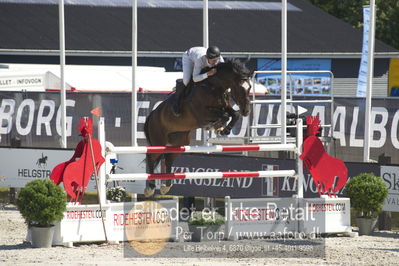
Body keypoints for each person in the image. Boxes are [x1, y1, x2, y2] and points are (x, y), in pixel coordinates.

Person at [172, 46, 224, 116]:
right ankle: (176, 101)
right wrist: (208, 74)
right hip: (189, 57)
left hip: (199, 52)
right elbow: (195, 78)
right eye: (213, 60)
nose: (215, 62)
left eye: (216, 60)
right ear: (207, 57)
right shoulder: (200, 60)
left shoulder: (220, 60)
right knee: (187, 80)